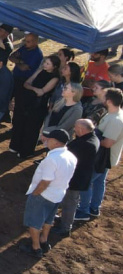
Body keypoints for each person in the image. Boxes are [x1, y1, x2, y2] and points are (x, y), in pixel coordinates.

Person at [20, 129, 77, 258]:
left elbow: (46, 181)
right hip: (58, 194)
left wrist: (35, 194)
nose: (46, 141)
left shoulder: (52, 159)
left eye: (49, 139)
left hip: (43, 195)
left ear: (56, 142)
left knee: (34, 222)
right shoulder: (71, 156)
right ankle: (44, 241)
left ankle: (35, 248)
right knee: (48, 220)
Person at [75, 88, 123, 221]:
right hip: (105, 158)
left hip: (103, 158)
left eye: (104, 97)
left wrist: (92, 136)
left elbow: (107, 143)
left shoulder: (116, 120)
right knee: (99, 182)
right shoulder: (114, 114)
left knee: (86, 181)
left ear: (108, 101)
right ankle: (94, 207)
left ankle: (83, 210)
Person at [55, 119, 99, 237]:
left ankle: (65, 228)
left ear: (81, 129)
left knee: (70, 203)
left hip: (75, 179)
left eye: (75, 127)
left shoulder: (85, 144)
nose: (74, 128)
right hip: (78, 177)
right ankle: (64, 220)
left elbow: (68, 156)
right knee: (69, 201)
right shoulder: (92, 138)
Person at [10, 55, 60, 157]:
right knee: (21, 124)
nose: (45, 65)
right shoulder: (40, 71)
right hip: (27, 102)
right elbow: (26, 83)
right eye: (45, 62)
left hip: (38, 106)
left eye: (48, 64)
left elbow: (42, 92)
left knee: (31, 128)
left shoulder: (55, 78)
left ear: (54, 66)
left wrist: (31, 88)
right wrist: (34, 88)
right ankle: (15, 146)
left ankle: (26, 151)